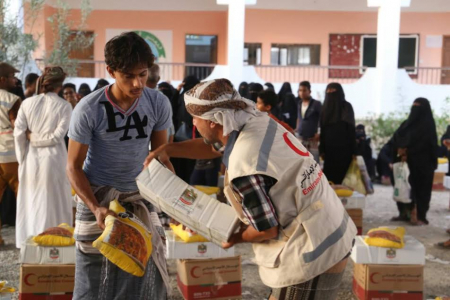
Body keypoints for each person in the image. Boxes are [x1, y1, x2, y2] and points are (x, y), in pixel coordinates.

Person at [145, 79, 356, 300]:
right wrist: (167, 149)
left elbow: (266, 230)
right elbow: (214, 146)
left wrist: (232, 238)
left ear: (215, 122)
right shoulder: (254, 122)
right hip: (330, 225)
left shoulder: (245, 163)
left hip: (313, 252)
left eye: (196, 118)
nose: (194, 124)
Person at [66, 31, 171, 299]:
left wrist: (174, 198)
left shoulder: (158, 103)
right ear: (111, 71)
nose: (138, 83)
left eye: (143, 74)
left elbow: (161, 156)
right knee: (92, 268)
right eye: (128, 76)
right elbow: (73, 167)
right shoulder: (89, 109)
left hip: (139, 195)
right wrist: (95, 207)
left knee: (146, 266)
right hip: (96, 194)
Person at [14, 66, 73, 248]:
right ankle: (57, 240)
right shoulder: (64, 106)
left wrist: (23, 154)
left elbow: (18, 134)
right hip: (55, 159)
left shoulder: (27, 104)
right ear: (60, 85)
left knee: (33, 201)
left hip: (31, 158)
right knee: (54, 201)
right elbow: (57, 137)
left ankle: (32, 241)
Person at [393, 98, 437, 226]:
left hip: (423, 165)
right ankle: (404, 213)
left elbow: (429, 145)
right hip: (407, 164)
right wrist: (401, 150)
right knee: (404, 187)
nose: (415, 109)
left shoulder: (429, 126)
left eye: (419, 106)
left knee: (421, 190)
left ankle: (420, 216)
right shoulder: (406, 124)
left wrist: (409, 151)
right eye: (414, 105)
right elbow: (397, 138)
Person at [0, 63, 21, 246]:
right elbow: (18, 127)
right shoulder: (12, 99)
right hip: (11, 156)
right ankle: (24, 237)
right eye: (12, 76)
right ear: (3, 79)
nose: (15, 80)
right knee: (21, 196)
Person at [319, 83, 356, 184]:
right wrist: (321, 149)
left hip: (344, 149)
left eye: (333, 91)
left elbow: (351, 129)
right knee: (329, 180)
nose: (330, 94)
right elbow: (322, 130)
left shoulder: (346, 107)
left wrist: (354, 151)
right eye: (328, 91)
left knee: (343, 179)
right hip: (329, 150)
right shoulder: (324, 108)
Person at [296, 81, 321, 162]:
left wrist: (319, 133)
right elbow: (299, 118)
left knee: (314, 161)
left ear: (309, 91)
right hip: (300, 137)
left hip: (312, 138)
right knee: (301, 161)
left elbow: (322, 118)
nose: (302, 93)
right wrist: (296, 129)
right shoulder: (299, 103)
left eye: (304, 90)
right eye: (300, 90)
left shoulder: (316, 104)